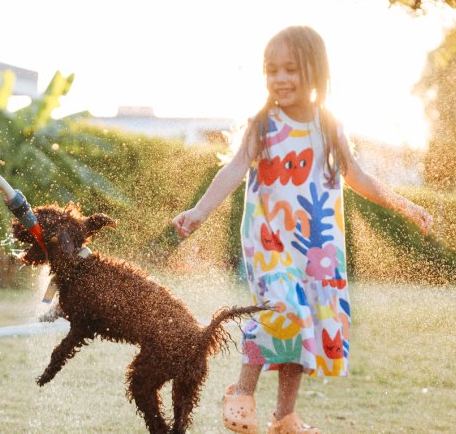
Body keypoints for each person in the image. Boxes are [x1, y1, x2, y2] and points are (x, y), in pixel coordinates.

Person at [171, 25, 432, 434]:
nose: (279, 79)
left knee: (302, 323)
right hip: (270, 240)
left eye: (290, 69)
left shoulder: (329, 126)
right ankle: (240, 394)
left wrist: (405, 205)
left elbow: (356, 175)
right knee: (283, 311)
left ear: (315, 71)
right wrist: (200, 210)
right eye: (271, 70)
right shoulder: (264, 124)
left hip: (317, 244)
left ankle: (284, 417)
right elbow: (235, 168)